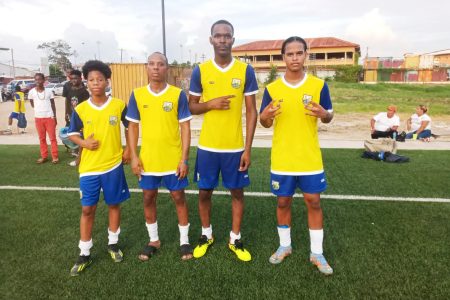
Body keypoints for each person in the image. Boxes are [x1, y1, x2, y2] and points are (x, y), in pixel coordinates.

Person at [259, 36, 334, 275]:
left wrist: (324, 114)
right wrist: (265, 115)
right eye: (289, 54)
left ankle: (317, 252)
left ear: (305, 55)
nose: (294, 58)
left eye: (298, 53)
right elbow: (265, 122)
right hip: (282, 158)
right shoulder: (272, 89)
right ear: (283, 57)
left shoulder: (319, 86)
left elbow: (328, 115)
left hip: (309, 158)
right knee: (283, 201)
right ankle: (284, 246)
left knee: (314, 201)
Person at [188, 20, 258, 262]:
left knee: (237, 193)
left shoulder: (245, 70)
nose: (222, 40)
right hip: (208, 147)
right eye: (218, 36)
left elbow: (251, 111)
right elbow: (191, 107)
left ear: (233, 40)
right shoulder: (200, 70)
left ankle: (234, 238)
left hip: (235, 147)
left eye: (227, 36)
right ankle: (206, 235)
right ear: (211, 40)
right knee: (204, 192)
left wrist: (247, 149)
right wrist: (211, 104)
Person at [127, 52, 193, 261]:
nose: (156, 67)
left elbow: (185, 127)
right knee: (148, 197)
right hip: (149, 160)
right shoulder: (137, 95)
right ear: (146, 67)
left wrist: (184, 159)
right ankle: (153, 240)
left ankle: (184, 241)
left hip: (172, 159)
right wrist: (134, 156)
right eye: (152, 64)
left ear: (167, 69)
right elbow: (132, 127)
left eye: (161, 64)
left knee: (179, 197)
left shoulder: (177, 94)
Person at [67, 60, 130, 276]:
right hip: (90, 168)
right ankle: (84, 252)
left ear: (107, 81)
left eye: (100, 79)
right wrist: (84, 143)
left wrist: (130, 149)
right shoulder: (81, 109)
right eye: (91, 80)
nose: (96, 83)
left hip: (113, 165)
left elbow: (131, 127)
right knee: (87, 209)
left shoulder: (119, 105)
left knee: (114, 204)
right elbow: (71, 133)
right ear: (86, 82)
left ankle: (113, 243)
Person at [28, 73, 59, 164]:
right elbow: (32, 103)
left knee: (52, 138)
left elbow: (53, 104)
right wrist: (39, 110)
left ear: (44, 80)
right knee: (42, 138)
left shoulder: (49, 91)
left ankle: (55, 157)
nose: (38, 81)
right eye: (36, 79)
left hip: (49, 117)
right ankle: (44, 156)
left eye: (40, 79)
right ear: (35, 80)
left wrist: (55, 116)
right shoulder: (32, 92)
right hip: (38, 118)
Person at [64, 69, 90, 167]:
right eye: (71, 78)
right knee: (75, 137)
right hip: (72, 116)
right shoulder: (70, 90)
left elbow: (87, 107)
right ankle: (78, 156)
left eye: (75, 78)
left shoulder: (84, 92)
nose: (73, 80)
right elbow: (67, 102)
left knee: (82, 138)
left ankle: (79, 160)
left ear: (80, 78)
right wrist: (66, 113)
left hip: (82, 118)